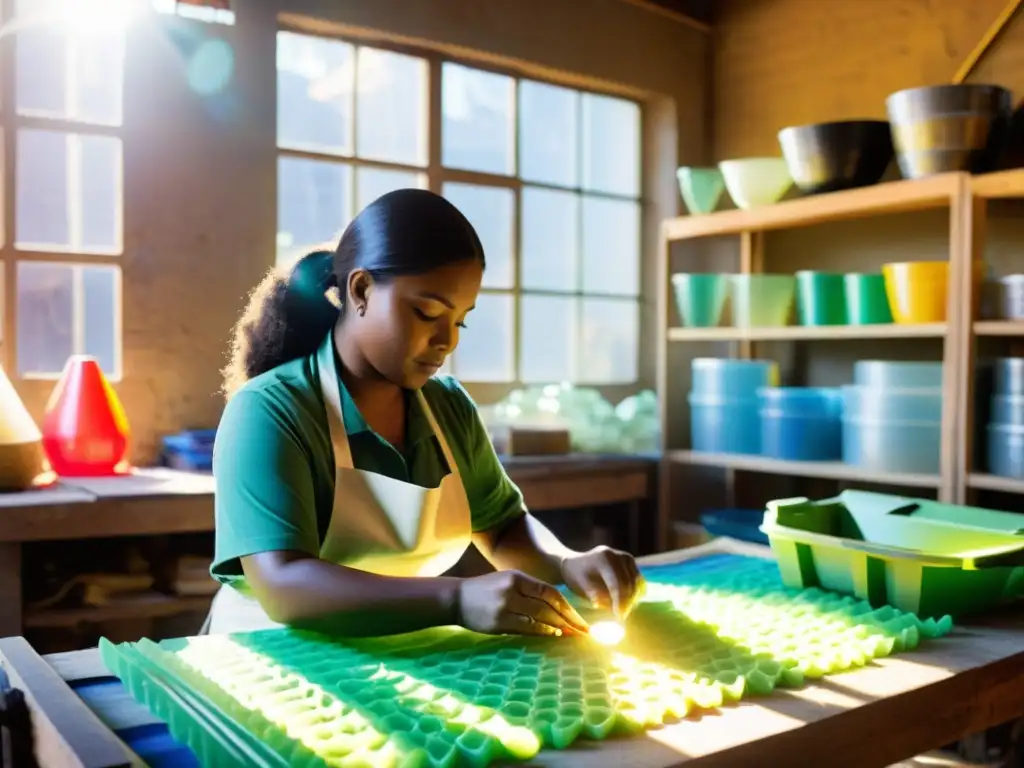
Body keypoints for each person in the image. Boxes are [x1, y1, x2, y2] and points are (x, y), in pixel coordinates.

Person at [206, 188, 644, 637]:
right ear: (361, 290)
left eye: (460, 320)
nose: (447, 340)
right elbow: (283, 585)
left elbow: (503, 527)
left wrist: (568, 563)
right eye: (426, 312)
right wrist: (455, 599)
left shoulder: (447, 407)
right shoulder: (271, 411)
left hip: (388, 655)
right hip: (266, 655)